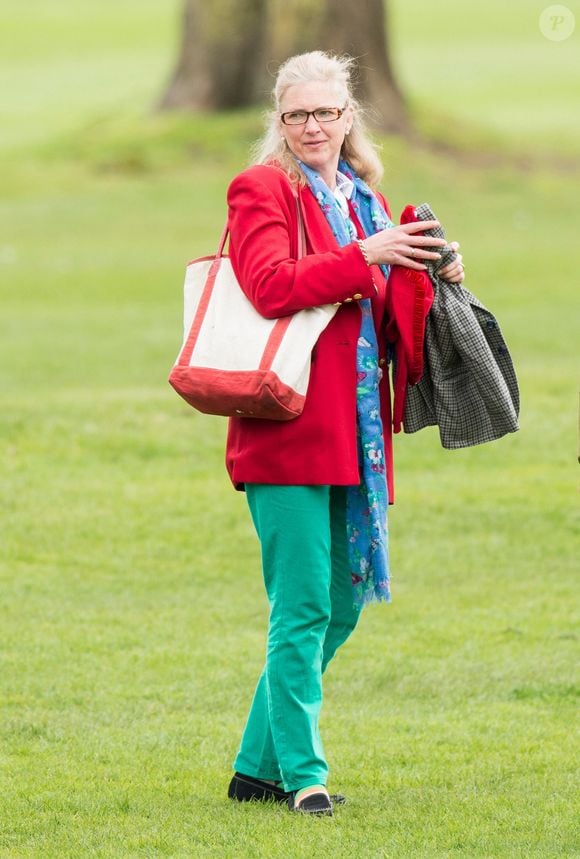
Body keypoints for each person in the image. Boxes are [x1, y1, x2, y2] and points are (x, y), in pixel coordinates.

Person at [224, 50, 465, 816]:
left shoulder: (366, 198)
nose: (312, 127)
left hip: (358, 435)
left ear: (349, 116)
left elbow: (395, 325)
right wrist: (364, 254)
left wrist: (434, 269)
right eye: (297, 115)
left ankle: (253, 765)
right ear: (280, 120)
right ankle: (303, 773)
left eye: (326, 112)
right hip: (286, 429)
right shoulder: (263, 189)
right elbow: (268, 287)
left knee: (342, 602)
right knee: (300, 606)